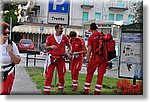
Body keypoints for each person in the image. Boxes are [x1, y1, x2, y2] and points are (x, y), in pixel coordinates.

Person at [44, 24, 72, 94]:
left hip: (61, 59)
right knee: (49, 75)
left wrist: (68, 52)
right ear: (56, 29)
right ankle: (47, 90)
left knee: (61, 75)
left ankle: (61, 88)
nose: (62, 30)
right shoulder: (50, 37)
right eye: (61, 28)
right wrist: (51, 46)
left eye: (62, 29)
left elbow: (69, 46)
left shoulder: (64, 37)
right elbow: (46, 47)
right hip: (52, 58)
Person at [83, 23, 107, 95]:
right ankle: (97, 91)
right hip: (104, 58)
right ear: (96, 28)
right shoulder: (103, 35)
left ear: (90, 29)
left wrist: (87, 60)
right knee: (100, 75)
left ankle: (86, 90)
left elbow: (89, 50)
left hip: (95, 58)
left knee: (90, 73)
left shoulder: (91, 38)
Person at [0, 22, 21, 95]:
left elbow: (18, 61)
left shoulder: (11, 44)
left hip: (7, 72)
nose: (7, 35)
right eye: (5, 33)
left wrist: (10, 52)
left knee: (4, 93)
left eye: (8, 33)